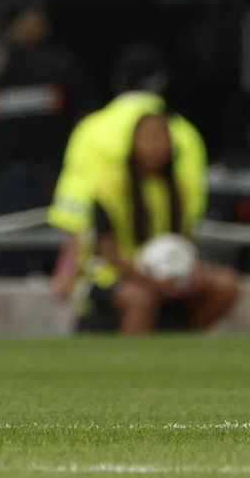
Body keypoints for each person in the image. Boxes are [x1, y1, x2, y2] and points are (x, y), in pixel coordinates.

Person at [48, 45, 206, 304]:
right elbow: (194, 216)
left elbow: (74, 214)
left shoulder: (92, 129)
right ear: (162, 82)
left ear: (118, 81)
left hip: (102, 269)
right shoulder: (186, 133)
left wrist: (65, 272)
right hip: (146, 267)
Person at [0, 0, 96, 276]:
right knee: (5, 260)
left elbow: (85, 119)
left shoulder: (62, 64)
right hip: (7, 180)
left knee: (57, 258)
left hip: (54, 176)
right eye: (33, 17)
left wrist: (75, 165)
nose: (40, 25)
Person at [81, 111, 239, 334]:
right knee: (140, 299)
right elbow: (107, 249)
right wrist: (148, 279)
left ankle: (182, 344)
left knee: (225, 284)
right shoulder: (110, 186)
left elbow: (186, 239)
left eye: (161, 137)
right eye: (148, 137)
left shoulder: (182, 188)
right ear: (133, 142)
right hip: (118, 273)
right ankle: (131, 364)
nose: (155, 145)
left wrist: (194, 271)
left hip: (172, 275)